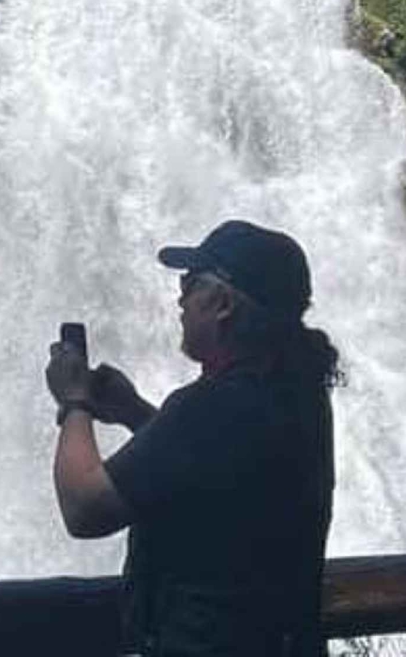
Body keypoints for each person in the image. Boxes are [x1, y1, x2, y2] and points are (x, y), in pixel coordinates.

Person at [45, 219, 341, 657]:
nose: (180, 298)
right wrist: (133, 412)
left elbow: (84, 508)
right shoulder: (297, 396)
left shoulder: (210, 408)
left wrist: (75, 403)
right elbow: (218, 473)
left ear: (222, 304)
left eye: (189, 283)